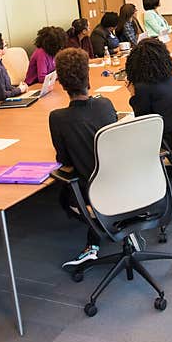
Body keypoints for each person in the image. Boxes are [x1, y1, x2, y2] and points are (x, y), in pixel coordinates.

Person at [48, 48, 118, 270]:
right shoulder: (105, 104)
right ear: (88, 77)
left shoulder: (57, 118)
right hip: (122, 181)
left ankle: (97, 231)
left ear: (61, 82)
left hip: (93, 191)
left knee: (63, 197)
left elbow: (64, 160)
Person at [125, 37, 172, 149]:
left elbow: (142, 123)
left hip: (168, 142)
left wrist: (133, 95)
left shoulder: (143, 88)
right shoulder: (169, 78)